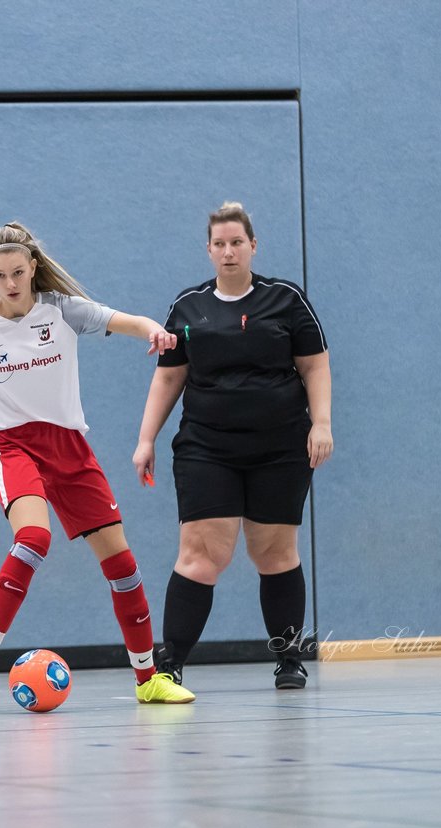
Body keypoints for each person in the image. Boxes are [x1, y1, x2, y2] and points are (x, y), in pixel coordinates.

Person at [0, 222, 195, 705]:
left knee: (123, 566)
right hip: (13, 444)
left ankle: (149, 681)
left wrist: (155, 332)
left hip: (70, 449)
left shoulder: (62, 311)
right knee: (34, 537)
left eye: (18, 272)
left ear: (33, 267)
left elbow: (127, 320)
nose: (11, 283)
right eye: (0, 276)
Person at [132, 202, 331, 691]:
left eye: (236, 242)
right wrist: (145, 439)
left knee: (274, 553)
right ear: (208, 250)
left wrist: (321, 424)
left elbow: (315, 366)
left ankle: (289, 659)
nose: (228, 251)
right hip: (207, 447)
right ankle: (171, 663)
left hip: (281, 447)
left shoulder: (286, 300)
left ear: (253, 246)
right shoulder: (188, 307)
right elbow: (169, 377)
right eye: (219, 244)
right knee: (201, 553)